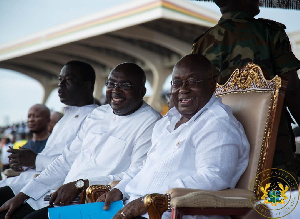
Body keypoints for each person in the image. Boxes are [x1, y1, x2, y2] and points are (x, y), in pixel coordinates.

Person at [0, 62, 162, 219]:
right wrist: (23, 195)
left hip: (94, 205)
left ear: (142, 91)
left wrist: (81, 184)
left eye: (125, 85)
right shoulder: (98, 114)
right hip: (57, 197)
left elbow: (135, 174)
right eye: (111, 83)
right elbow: (65, 161)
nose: (115, 90)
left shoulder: (150, 123)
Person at [101, 54, 250, 219]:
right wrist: (119, 189)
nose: (183, 89)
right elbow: (146, 166)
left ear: (211, 84)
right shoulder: (167, 122)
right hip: (133, 207)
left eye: (192, 82)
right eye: (177, 83)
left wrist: (151, 201)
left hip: (169, 213)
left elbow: (213, 178)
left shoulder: (218, 124)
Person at [192, 0, 300, 177]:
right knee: (279, 200)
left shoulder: (202, 44)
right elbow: (293, 89)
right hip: (273, 144)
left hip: (222, 142)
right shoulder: (270, 33)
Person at [0, 60, 98, 217]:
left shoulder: (94, 118)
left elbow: (71, 163)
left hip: (50, 190)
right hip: (30, 182)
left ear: (86, 85)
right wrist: (24, 163)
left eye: (68, 80)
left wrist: (35, 160)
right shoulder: (66, 117)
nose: (61, 85)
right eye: (60, 79)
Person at [4, 104, 51, 177]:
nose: (31, 120)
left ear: (48, 120)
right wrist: (16, 167)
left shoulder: (55, 143)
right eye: (29, 116)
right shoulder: (25, 146)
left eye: (36, 116)